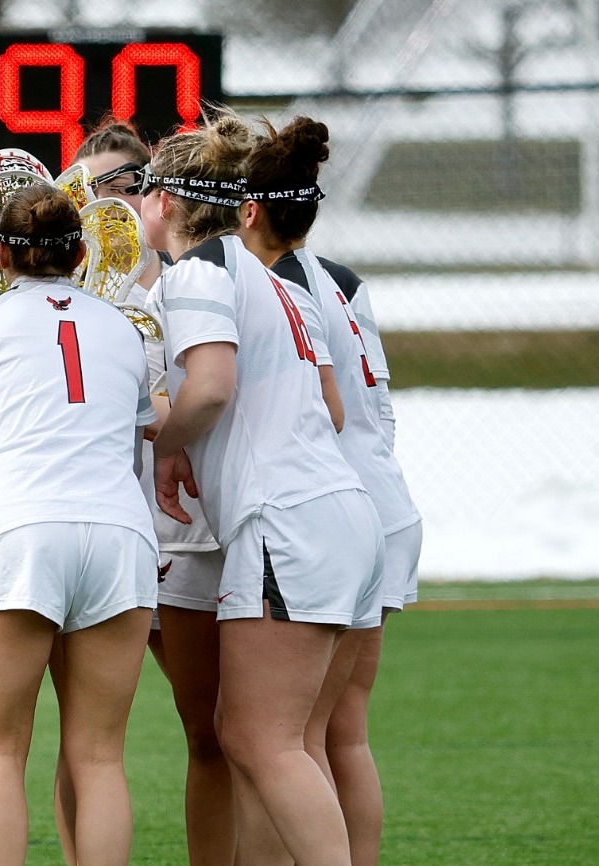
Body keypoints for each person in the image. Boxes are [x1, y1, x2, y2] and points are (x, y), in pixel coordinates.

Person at [141, 112, 383, 866]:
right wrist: (191, 441)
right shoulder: (275, 278)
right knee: (287, 741)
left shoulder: (200, 270)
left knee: (255, 738)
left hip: (286, 524)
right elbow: (331, 406)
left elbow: (210, 388)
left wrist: (164, 441)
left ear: (169, 203)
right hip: (337, 512)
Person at [0, 184, 159, 866]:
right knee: (99, 757)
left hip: (15, 534)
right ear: (80, 253)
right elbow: (134, 443)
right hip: (117, 534)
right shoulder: (118, 325)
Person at [239, 117, 422, 866]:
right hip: (380, 504)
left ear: (247, 209)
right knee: (339, 729)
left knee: (283, 738)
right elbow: (376, 406)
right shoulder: (339, 279)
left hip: (319, 513)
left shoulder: (262, 285)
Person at [65, 121, 235, 866]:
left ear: (158, 197)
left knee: (213, 728)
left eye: (128, 186)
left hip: (186, 532)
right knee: (85, 741)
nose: (113, 204)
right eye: (91, 189)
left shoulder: (189, 282)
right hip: (101, 533)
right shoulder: (59, 297)